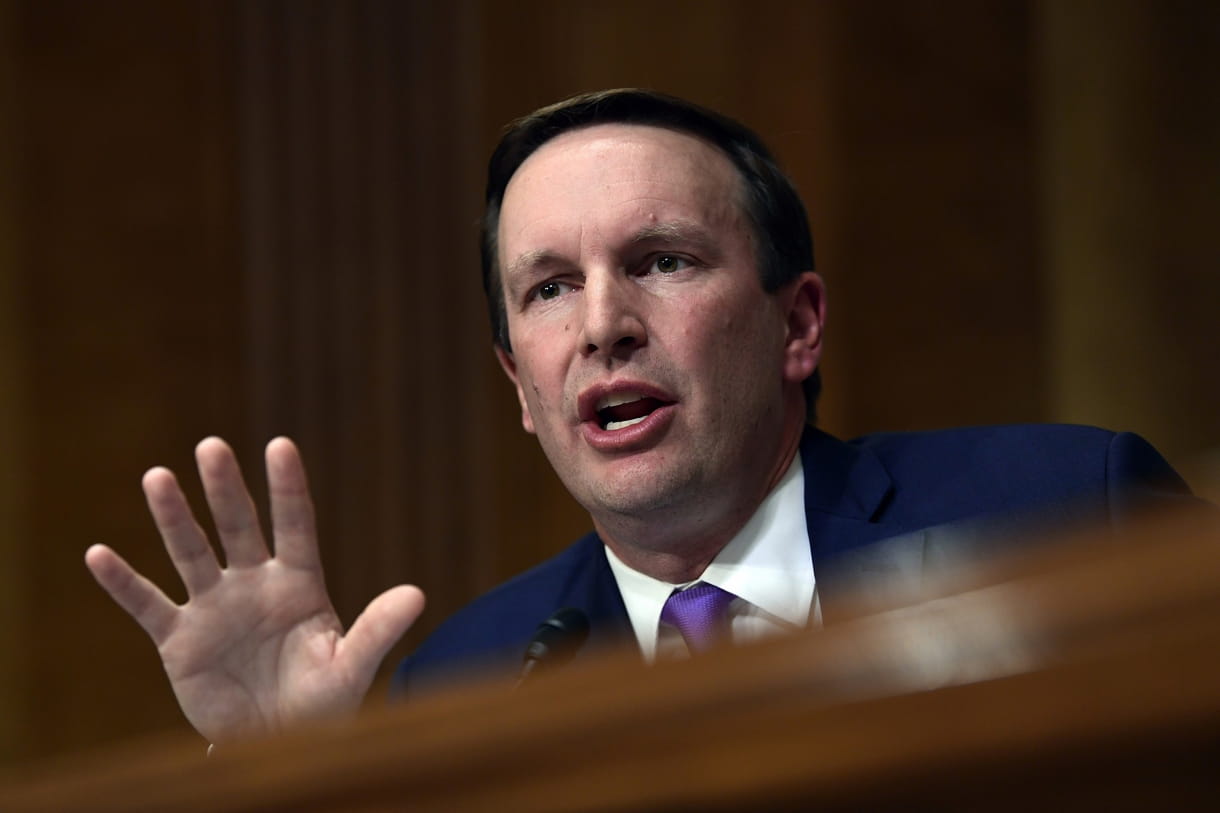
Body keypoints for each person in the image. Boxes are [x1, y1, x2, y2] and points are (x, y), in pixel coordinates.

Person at [84, 89, 1192, 746]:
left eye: (660, 261)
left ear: (796, 324)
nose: (603, 325)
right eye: (548, 288)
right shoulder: (466, 685)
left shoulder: (1064, 514)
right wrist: (299, 785)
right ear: (519, 386)